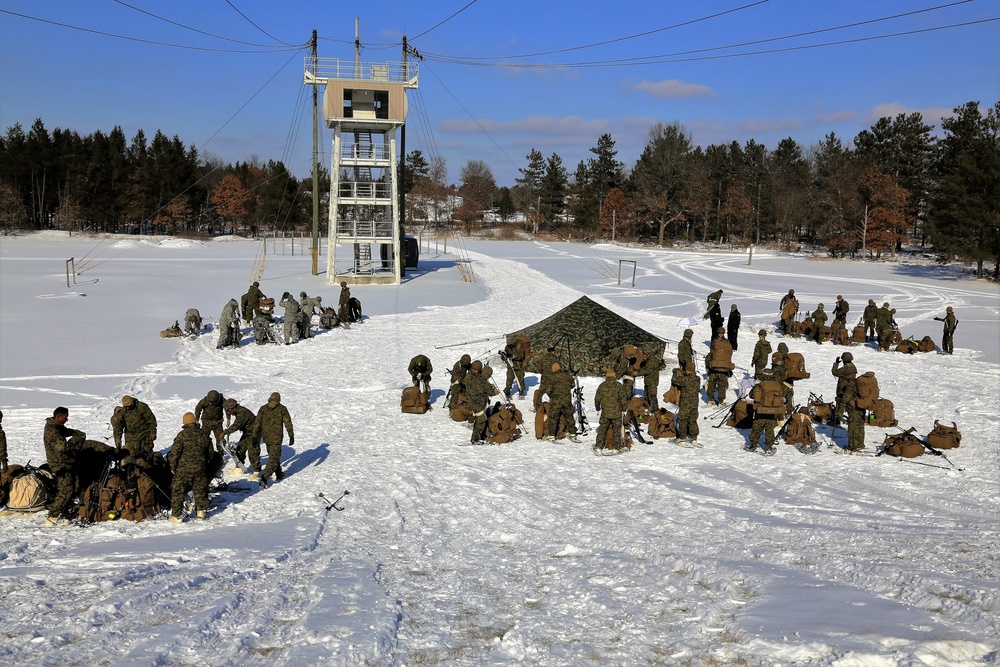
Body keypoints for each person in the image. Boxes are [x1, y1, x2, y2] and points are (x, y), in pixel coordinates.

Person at [43, 407, 87, 526]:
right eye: (65, 417)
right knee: (65, 490)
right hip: (60, 465)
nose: (67, 419)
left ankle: (67, 511)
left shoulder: (57, 426)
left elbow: (65, 431)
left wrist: (74, 432)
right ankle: (53, 516)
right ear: (58, 417)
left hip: (67, 462)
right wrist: (77, 441)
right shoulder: (52, 430)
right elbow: (62, 447)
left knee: (75, 486)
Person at [168, 412, 212, 523]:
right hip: (200, 467)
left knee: (178, 490)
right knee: (200, 489)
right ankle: (201, 512)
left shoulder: (182, 435)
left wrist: (172, 466)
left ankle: (176, 516)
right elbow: (210, 453)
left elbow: (175, 452)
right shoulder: (204, 434)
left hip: (184, 469)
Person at [254, 392, 294, 487]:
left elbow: (257, 423)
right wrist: (291, 435)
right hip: (276, 438)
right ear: (279, 399)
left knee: (273, 456)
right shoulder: (282, 409)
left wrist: (255, 436)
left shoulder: (263, 408)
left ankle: (279, 474)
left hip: (266, 438)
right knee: (274, 458)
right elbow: (287, 423)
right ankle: (265, 478)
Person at [538, 363, 580, 442]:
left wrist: (552, 395)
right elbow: (573, 385)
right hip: (567, 399)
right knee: (569, 416)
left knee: (553, 417)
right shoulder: (568, 376)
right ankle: (573, 434)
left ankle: (551, 436)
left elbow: (548, 390)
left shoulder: (552, 377)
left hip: (556, 401)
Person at [112, 395, 158, 461]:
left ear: (132, 402)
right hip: (130, 435)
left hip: (144, 433)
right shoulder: (123, 411)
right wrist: (118, 437)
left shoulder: (142, 407)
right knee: (131, 455)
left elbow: (151, 420)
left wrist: (153, 432)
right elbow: (119, 425)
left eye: (129, 406)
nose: (127, 408)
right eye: (125, 407)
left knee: (146, 454)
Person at [223, 398, 259, 475]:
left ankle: (257, 471)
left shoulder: (242, 413)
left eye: (229, 410)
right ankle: (239, 468)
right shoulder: (237, 411)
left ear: (233, 407)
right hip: (247, 432)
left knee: (252, 452)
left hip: (254, 433)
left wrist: (225, 432)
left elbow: (236, 425)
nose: (229, 413)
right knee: (240, 449)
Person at [594, 370, 628, 451]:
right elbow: (623, 399)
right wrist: (624, 409)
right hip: (617, 413)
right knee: (616, 431)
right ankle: (615, 448)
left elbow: (597, 399)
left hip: (605, 413)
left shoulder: (602, 386)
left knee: (602, 430)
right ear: (614, 376)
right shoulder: (619, 386)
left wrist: (597, 408)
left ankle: (598, 446)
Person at [674, 362, 701, 446]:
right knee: (693, 420)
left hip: (685, 403)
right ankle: (693, 438)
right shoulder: (697, 379)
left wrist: (675, 372)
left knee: (683, 420)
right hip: (694, 403)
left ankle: (682, 438)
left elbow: (675, 381)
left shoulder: (685, 379)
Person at [194, 390, 226, 454]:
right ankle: (204, 454)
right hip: (206, 423)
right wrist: (196, 419)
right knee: (203, 439)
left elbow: (227, 408)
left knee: (220, 440)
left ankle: (221, 455)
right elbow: (198, 409)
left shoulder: (222, 400)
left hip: (218, 423)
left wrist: (228, 418)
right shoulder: (204, 401)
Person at [465, 361, 490, 444]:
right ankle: (474, 438)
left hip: (480, 400)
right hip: (474, 401)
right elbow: (473, 391)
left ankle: (480, 433)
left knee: (482, 417)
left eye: (478, 370)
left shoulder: (478, 375)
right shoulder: (469, 378)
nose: (477, 372)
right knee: (481, 418)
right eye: (475, 370)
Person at [705, 328, 731, 407]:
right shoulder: (726, 342)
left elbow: (711, 353)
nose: (720, 334)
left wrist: (708, 365)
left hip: (715, 367)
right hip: (722, 368)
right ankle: (715, 401)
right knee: (716, 385)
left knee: (717, 385)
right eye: (720, 333)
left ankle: (716, 401)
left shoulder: (715, 342)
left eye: (721, 333)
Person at [831, 352, 857, 425]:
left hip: (842, 389)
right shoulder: (853, 367)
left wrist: (836, 363)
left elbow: (834, 372)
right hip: (850, 390)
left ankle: (837, 420)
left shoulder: (845, 369)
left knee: (839, 404)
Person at [841, 377, 865, 453]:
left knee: (852, 428)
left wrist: (840, 411)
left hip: (853, 411)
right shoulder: (861, 384)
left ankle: (852, 447)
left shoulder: (850, 386)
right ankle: (860, 445)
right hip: (862, 409)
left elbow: (845, 399)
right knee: (860, 427)